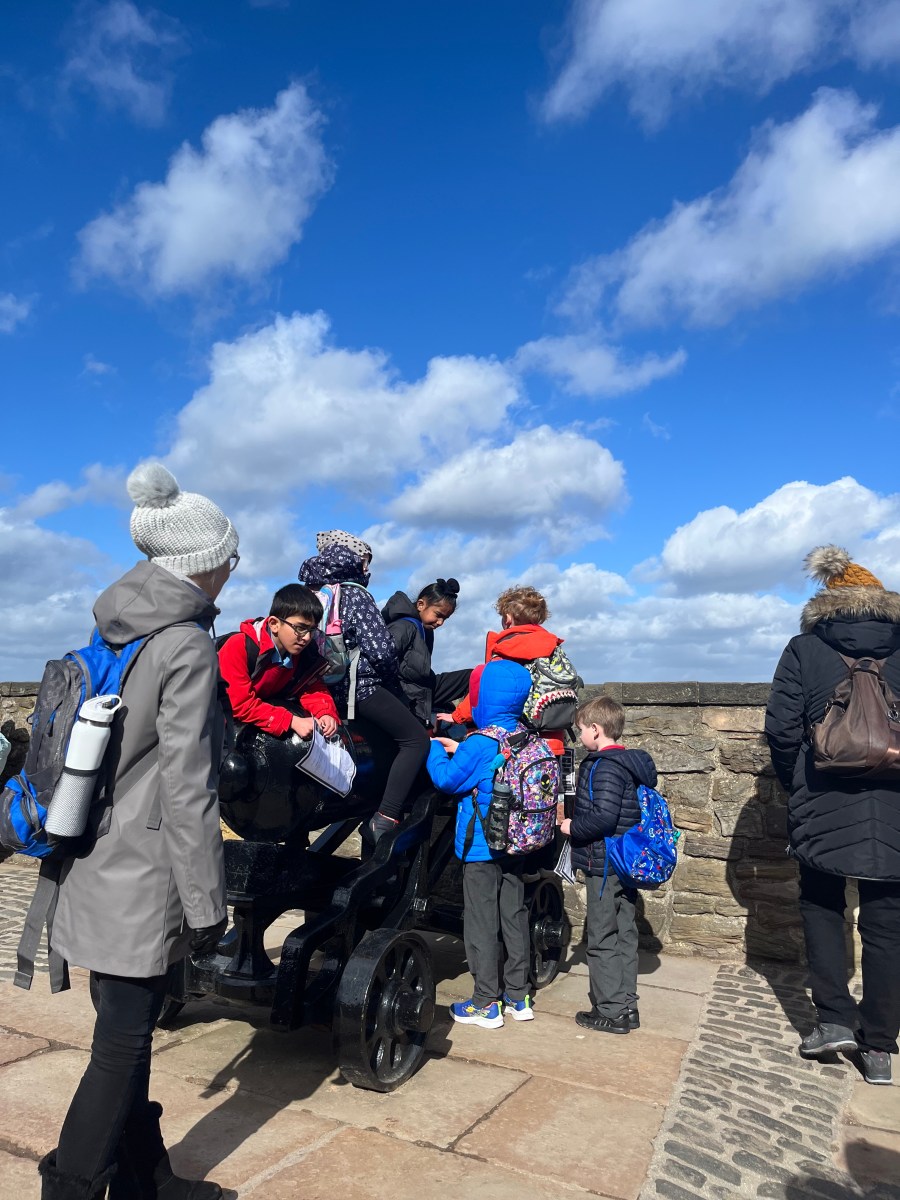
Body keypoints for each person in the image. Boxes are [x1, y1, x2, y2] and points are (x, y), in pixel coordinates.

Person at [41, 462, 237, 1200]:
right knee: (119, 1048)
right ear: (201, 563)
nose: (231, 568)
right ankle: (71, 1187)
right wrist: (207, 903)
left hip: (93, 857)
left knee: (127, 1035)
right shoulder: (186, 644)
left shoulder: (117, 626)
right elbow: (189, 786)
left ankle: (146, 1181)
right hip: (144, 875)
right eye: (228, 556)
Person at [765, 545, 900, 1087]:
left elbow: (781, 730)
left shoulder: (805, 648)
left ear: (827, 602)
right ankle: (880, 1046)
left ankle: (834, 1021)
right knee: (887, 925)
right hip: (895, 806)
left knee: (821, 907)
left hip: (821, 798)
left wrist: (795, 782)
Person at [298, 530, 429, 843]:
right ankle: (385, 817)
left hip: (320, 692)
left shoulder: (309, 592)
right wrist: (393, 685)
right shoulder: (356, 594)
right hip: (360, 689)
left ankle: (299, 829)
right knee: (416, 741)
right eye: (364, 561)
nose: (367, 569)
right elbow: (381, 651)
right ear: (350, 559)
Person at [427, 660, 537, 1029]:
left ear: (483, 697)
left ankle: (485, 1003)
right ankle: (518, 997)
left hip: (482, 847)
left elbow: (447, 780)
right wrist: (462, 748)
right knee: (514, 916)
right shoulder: (525, 736)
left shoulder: (479, 742)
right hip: (516, 842)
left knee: (480, 922)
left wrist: (434, 750)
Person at [559, 694, 655, 1036]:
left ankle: (611, 1011)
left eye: (581, 729)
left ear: (596, 730)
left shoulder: (604, 767)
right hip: (624, 863)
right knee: (625, 932)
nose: (579, 736)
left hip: (604, 863)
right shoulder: (629, 763)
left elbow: (603, 818)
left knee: (601, 937)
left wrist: (572, 827)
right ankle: (627, 1005)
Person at [448, 584, 576, 753]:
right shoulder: (552, 645)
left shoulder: (509, 648)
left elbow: (486, 692)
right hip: (553, 742)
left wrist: (456, 716)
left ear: (507, 618)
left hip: (518, 744)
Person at [217, 582, 339, 741]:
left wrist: (325, 713)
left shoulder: (303, 654)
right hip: (217, 734)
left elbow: (311, 687)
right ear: (274, 624)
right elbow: (238, 704)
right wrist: (291, 721)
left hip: (253, 729)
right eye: (300, 628)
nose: (307, 637)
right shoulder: (238, 646)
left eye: (312, 630)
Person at [381, 578, 471, 727]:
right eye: (438, 615)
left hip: (423, 687)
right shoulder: (403, 627)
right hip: (407, 695)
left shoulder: (425, 630)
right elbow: (381, 661)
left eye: (445, 618)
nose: (440, 622)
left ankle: (470, 721)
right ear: (421, 605)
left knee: (475, 675)